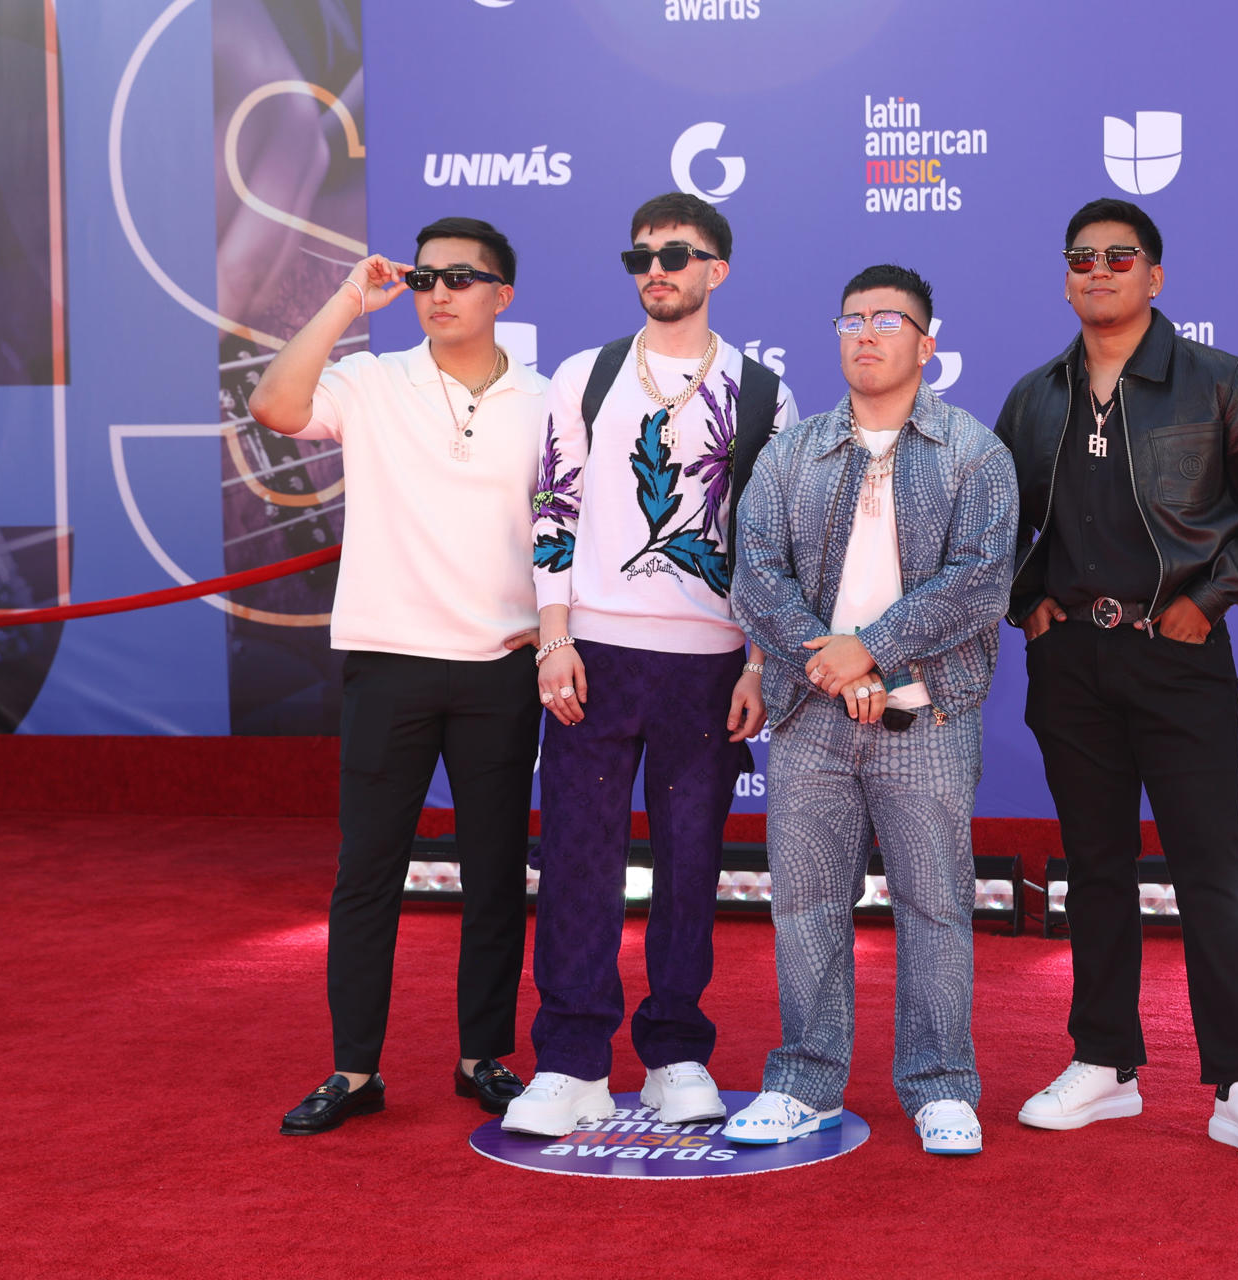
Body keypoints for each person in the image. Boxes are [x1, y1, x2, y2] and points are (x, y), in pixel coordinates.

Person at [994, 198, 1238, 1159]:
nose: (1100, 271)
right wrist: (1026, 603)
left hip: (1178, 658)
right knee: (1094, 868)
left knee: (1210, 871)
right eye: (1082, 258)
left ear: (1155, 276)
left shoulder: (1218, 381)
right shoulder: (1037, 394)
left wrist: (1209, 600)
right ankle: (1104, 1065)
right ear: (1065, 276)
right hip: (1072, 668)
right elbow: (993, 520)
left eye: (1120, 257)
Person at [501, 193, 797, 1137]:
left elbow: (772, 543)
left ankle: (677, 1050)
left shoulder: (763, 393)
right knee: (579, 860)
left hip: (709, 665)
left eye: (678, 253)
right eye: (641, 255)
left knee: (692, 864)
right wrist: (554, 637)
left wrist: (758, 663)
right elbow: (553, 510)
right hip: (595, 656)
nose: (656, 268)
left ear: (718, 269)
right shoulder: (585, 377)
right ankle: (572, 1060)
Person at [250, 217, 546, 1135]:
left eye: (463, 278)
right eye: (426, 278)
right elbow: (274, 407)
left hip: (503, 665)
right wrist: (349, 300)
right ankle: (353, 1071)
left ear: (503, 293)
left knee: (495, 872)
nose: (440, 292)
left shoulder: (547, 400)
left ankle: (483, 1056)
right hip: (388, 665)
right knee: (367, 872)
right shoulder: (372, 381)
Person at [724, 264, 1015, 1156]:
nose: (866, 333)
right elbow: (756, 574)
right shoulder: (791, 451)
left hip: (925, 718)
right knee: (806, 902)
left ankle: (939, 1087)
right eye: (851, 318)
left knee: (936, 904)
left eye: (889, 320)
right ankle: (804, 1081)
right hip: (812, 718)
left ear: (927, 345)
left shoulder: (974, 451)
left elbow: (979, 579)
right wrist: (831, 661)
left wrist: (872, 647)